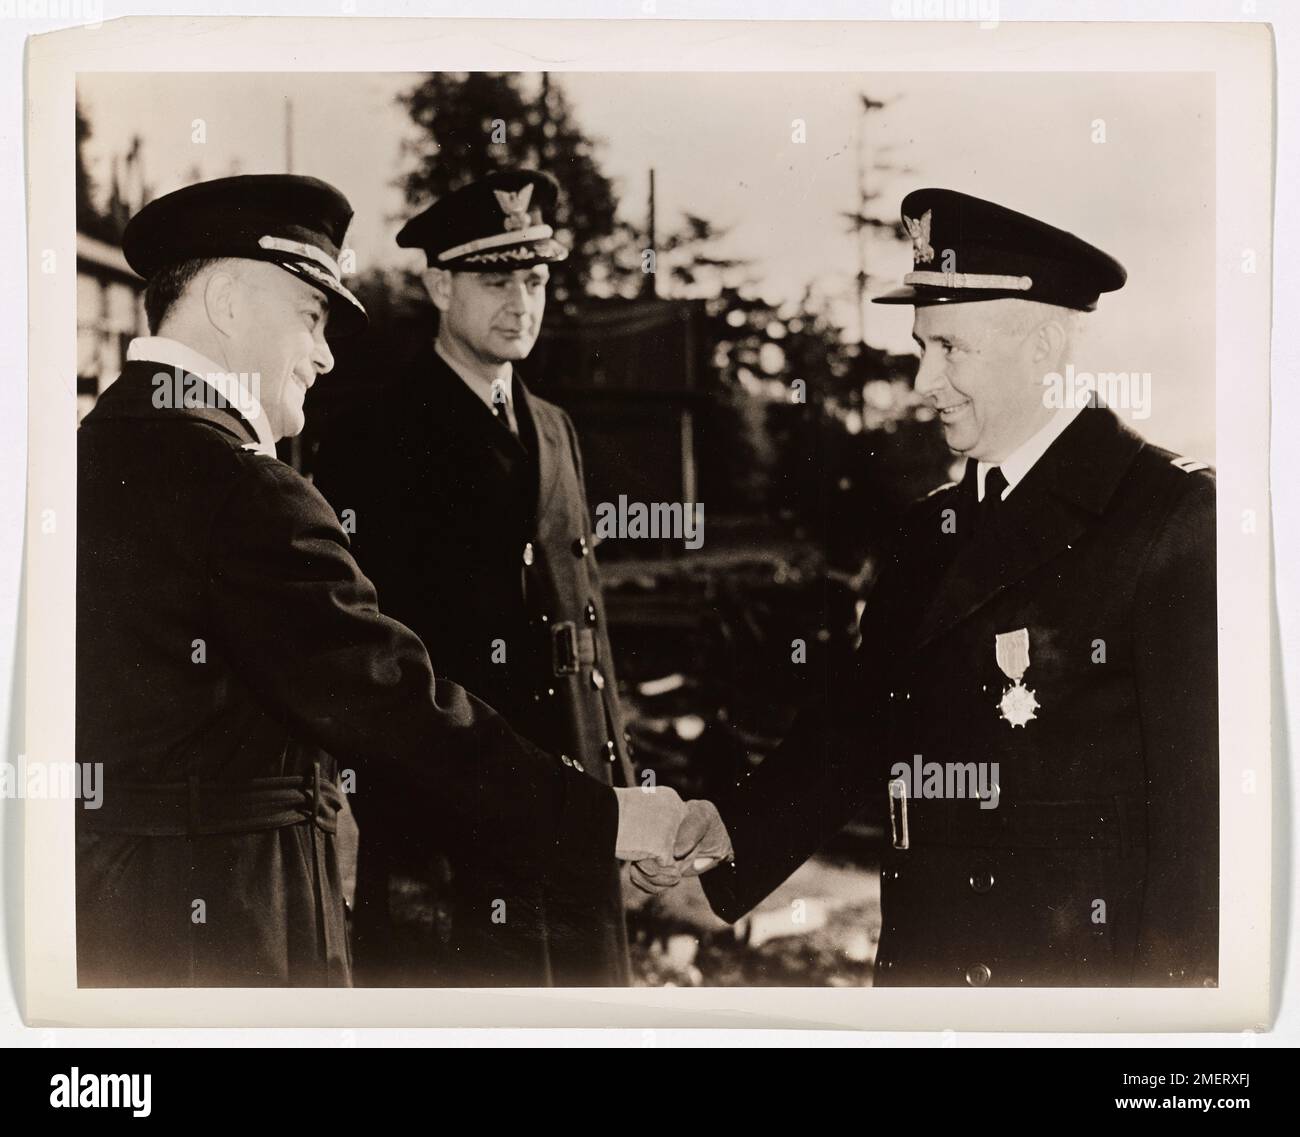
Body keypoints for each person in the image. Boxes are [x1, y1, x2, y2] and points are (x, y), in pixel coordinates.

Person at [75, 173, 703, 987]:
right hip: (232, 925)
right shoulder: (245, 489)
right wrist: (605, 816)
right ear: (227, 302)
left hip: (109, 911)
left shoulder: (88, 451)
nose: (325, 353)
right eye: (310, 316)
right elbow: (390, 697)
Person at [665, 188, 1218, 988]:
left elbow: (1203, 831)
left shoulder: (1171, 518)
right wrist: (729, 830)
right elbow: (859, 722)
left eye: (952, 349)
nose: (926, 381)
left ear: (1043, 345)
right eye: (924, 346)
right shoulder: (932, 529)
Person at [313, 169, 650, 986]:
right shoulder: (376, 432)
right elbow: (365, 649)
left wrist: (626, 792)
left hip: (573, 789)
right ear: (438, 284)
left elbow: (587, 622)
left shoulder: (554, 426)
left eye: (534, 280)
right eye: (495, 281)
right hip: (456, 809)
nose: (520, 303)